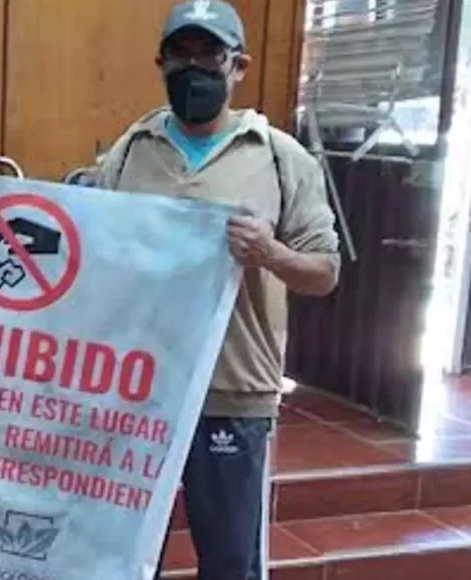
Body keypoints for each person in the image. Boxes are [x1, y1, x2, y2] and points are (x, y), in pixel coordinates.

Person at [95, 1, 340, 579]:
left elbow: (325, 272)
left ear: (239, 66)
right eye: (180, 54)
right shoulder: (129, 152)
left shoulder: (279, 157)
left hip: (233, 392)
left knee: (231, 562)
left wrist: (271, 253)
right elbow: (94, 251)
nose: (194, 67)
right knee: (121, 558)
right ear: (160, 64)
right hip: (139, 391)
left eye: (210, 54)